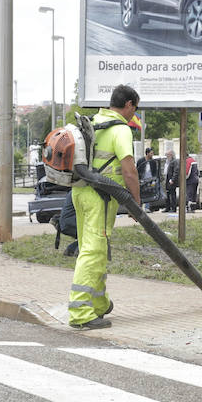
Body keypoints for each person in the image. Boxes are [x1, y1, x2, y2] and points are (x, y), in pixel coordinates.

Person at [68, 84, 141, 330]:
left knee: (92, 249)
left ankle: (98, 304)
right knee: (93, 252)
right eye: (135, 108)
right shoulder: (121, 130)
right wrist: (136, 203)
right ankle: (80, 312)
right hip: (100, 198)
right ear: (129, 104)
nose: (134, 114)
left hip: (79, 192)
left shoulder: (94, 121)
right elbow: (129, 170)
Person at [136, 147, 159, 211]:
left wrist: (154, 179)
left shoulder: (153, 162)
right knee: (141, 193)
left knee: (149, 193)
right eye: (151, 153)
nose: (152, 155)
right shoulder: (141, 161)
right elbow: (137, 169)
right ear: (147, 153)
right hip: (142, 179)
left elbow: (155, 171)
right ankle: (139, 207)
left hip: (150, 179)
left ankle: (147, 207)